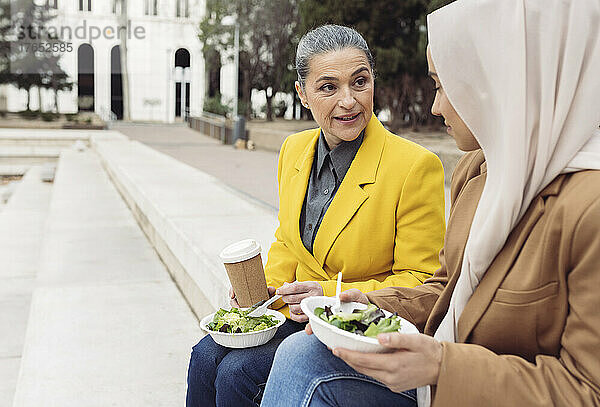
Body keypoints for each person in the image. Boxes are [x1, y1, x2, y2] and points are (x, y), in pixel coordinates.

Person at [261, 0, 600, 406]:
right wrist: (360, 301)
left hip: (463, 384)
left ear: (498, 83)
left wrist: (443, 365)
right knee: (224, 357)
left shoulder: (588, 207)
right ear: (303, 94)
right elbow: (443, 287)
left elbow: (588, 390)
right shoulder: (477, 170)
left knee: (296, 358)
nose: (435, 106)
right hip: (429, 367)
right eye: (328, 87)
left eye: (443, 86)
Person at [185, 25, 447, 407]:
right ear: (302, 95)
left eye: (360, 82)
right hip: (295, 318)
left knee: (236, 372)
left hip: (355, 327)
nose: (349, 101)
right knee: (205, 356)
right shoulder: (294, 149)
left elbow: (422, 282)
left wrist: (328, 296)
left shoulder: (415, 166)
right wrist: (262, 295)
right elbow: (288, 241)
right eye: (328, 87)